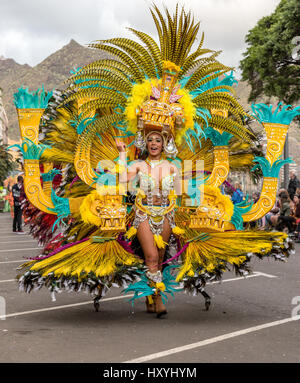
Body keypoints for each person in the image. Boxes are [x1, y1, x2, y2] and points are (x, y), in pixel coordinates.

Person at [116, 129, 181, 317]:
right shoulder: (138, 165)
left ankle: (150, 295)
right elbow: (122, 180)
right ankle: (158, 298)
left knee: (160, 259)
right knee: (151, 256)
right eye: (150, 140)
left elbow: (178, 194)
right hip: (143, 215)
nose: (154, 143)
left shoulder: (172, 167)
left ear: (164, 144)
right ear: (145, 144)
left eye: (158, 140)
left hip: (166, 216)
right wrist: (122, 154)